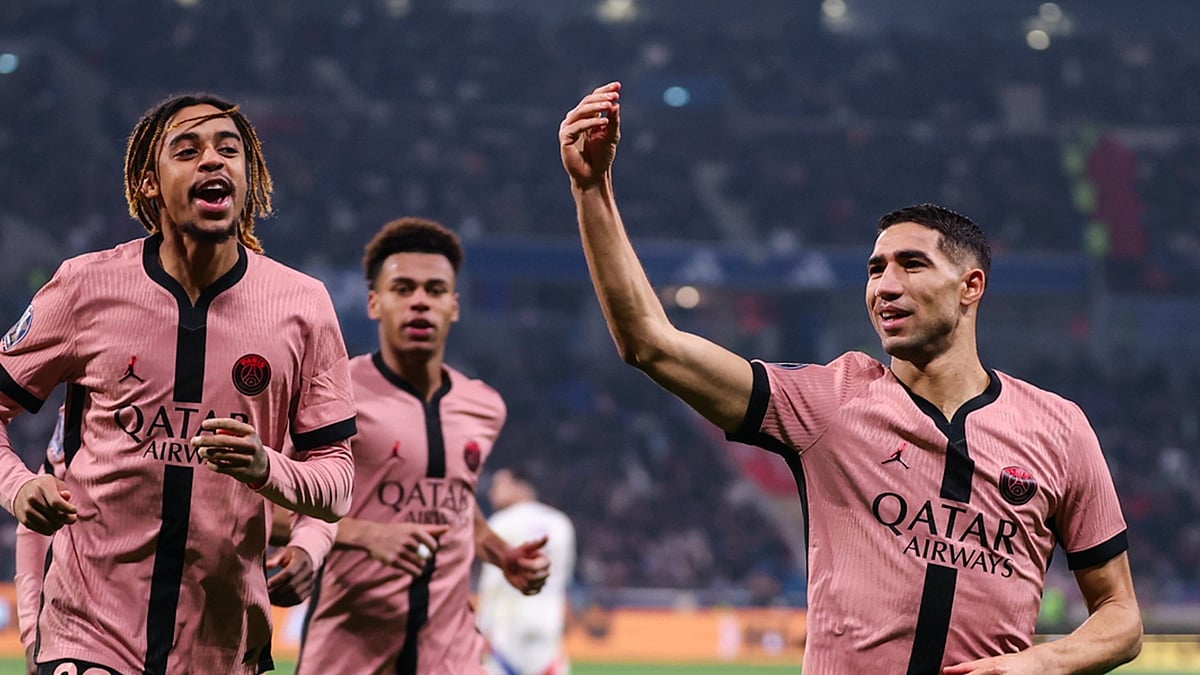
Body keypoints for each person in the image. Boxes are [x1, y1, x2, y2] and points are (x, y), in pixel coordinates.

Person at [558, 81, 1143, 674]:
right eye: (875, 269)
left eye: (912, 265)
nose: (885, 285)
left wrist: (1040, 664)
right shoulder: (828, 404)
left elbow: (1121, 617)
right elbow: (652, 345)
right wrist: (591, 188)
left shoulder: (1059, 429)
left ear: (971, 287)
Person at [0, 92, 357, 674]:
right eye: (187, 150)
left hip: (224, 645)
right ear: (148, 184)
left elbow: (337, 479)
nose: (212, 161)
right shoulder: (85, 289)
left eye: (229, 149)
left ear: (249, 175)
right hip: (90, 635)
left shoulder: (303, 306)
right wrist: (17, 488)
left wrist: (268, 470)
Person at [296, 217, 551, 674]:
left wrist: (499, 552)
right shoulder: (334, 393)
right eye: (403, 288)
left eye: (434, 290)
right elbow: (271, 509)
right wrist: (366, 535)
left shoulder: (484, 406)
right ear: (375, 302)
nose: (420, 302)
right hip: (349, 653)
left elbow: (453, 497)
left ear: (454, 306)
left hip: (451, 656)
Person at [478, 467, 577, 675]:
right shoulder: (560, 522)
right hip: (547, 622)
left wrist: (482, 624)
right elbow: (563, 579)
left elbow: (492, 582)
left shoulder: (501, 522)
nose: (492, 492)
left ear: (521, 486)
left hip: (507, 625)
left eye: (499, 484)